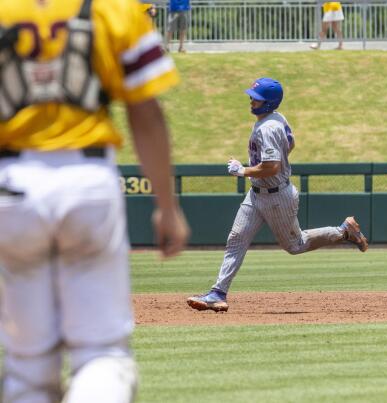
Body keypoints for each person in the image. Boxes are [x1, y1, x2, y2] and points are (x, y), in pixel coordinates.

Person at [0, 0, 190, 401]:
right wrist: (167, 208)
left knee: (27, 368)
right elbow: (146, 113)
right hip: (87, 180)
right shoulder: (114, 6)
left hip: (11, 186)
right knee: (103, 357)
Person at [187, 77, 368, 313]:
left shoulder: (269, 127)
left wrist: (241, 170)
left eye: (257, 98)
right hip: (257, 194)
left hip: (275, 196)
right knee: (236, 239)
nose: (251, 101)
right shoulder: (275, 119)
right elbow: (290, 144)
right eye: (252, 96)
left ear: (269, 103)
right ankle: (217, 293)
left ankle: (343, 231)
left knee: (295, 245)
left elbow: (271, 166)